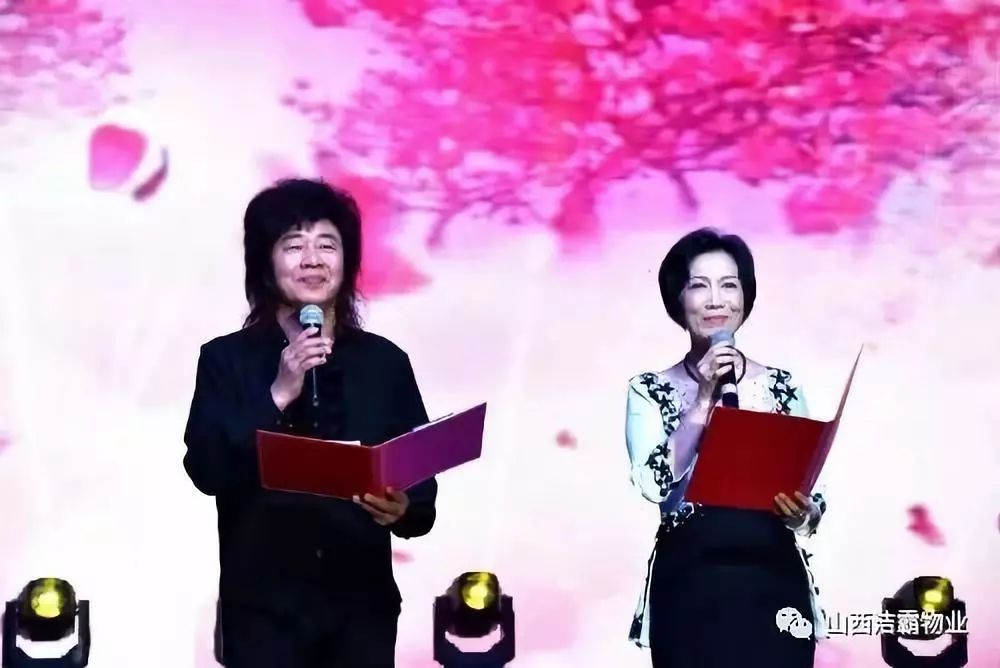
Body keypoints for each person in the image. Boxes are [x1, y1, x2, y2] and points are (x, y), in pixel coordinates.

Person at [183, 178, 437, 668]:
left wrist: (403, 508)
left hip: (360, 614)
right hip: (262, 615)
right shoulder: (225, 361)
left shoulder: (385, 363)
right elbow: (207, 470)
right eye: (293, 246)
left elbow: (420, 491)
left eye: (327, 245)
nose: (313, 260)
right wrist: (278, 392)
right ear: (264, 262)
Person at [625, 228, 827, 667]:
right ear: (678, 299)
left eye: (729, 285)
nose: (716, 300)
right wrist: (703, 399)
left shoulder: (782, 385)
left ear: (744, 297)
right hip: (690, 585)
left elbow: (814, 493)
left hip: (773, 582)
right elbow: (652, 483)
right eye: (700, 286)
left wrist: (803, 512)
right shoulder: (649, 389)